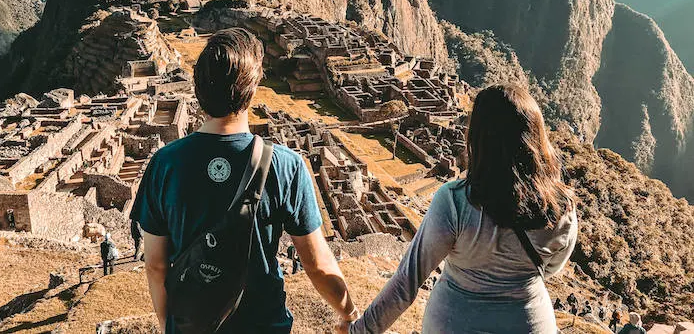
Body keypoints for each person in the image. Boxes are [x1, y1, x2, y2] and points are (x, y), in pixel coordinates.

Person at [131, 28, 359, 333]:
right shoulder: (285, 166)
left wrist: (169, 325)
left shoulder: (164, 164)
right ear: (251, 91)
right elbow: (317, 265)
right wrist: (349, 313)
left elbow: (156, 265)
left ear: (198, 90)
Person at [341, 84, 578, 334]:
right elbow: (549, 269)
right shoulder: (562, 208)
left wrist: (359, 331)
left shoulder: (456, 201)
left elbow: (407, 281)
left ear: (478, 136)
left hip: (455, 323)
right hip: (529, 323)